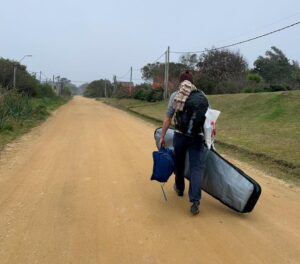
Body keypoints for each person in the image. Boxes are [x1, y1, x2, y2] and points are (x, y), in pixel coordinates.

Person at [159, 71, 209, 215]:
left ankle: (180, 189)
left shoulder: (176, 95)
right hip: (197, 137)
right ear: (192, 81)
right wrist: (210, 136)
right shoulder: (202, 95)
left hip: (180, 136)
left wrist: (162, 136)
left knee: (179, 164)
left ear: (180, 82)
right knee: (196, 168)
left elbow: (168, 118)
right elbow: (210, 119)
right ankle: (195, 201)